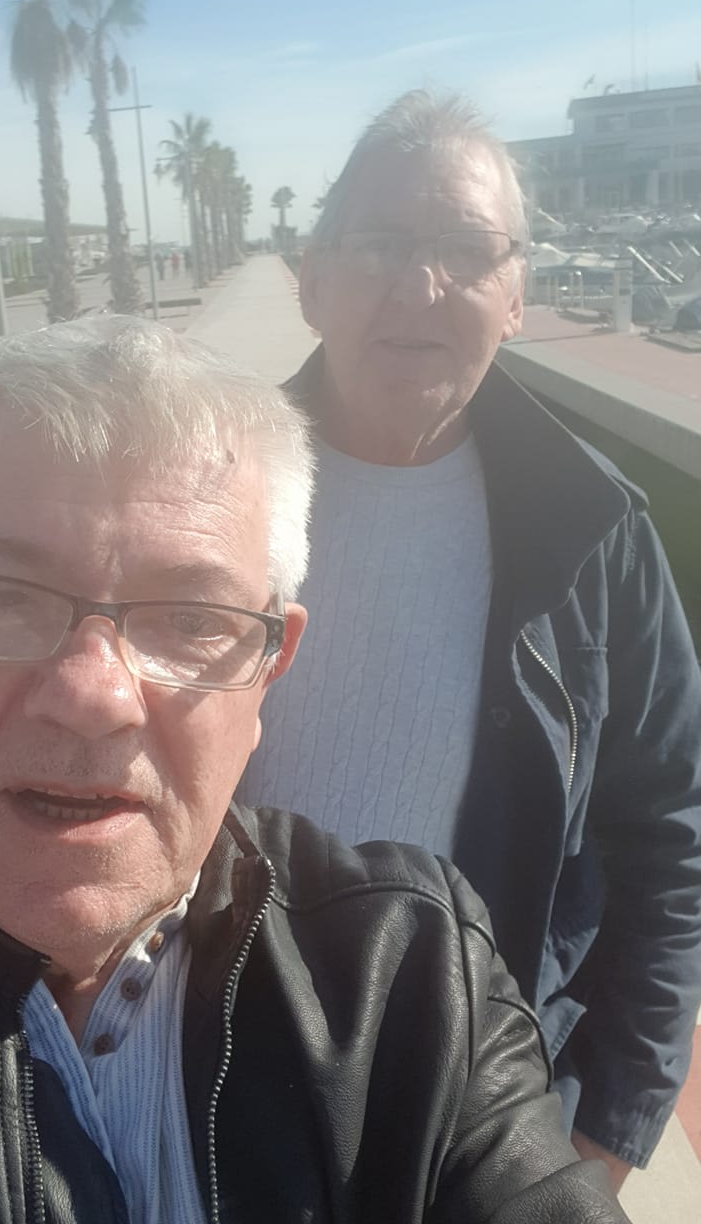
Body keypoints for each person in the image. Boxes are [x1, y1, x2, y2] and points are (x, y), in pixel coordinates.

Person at [0, 318, 626, 1221]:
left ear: (269, 669)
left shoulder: (411, 974)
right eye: (1, 595)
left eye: (190, 620)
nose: (91, 694)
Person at [238, 88, 701, 1187]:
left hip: (489, 1105)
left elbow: (670, 834)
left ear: (517, 294)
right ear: (311, 279)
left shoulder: (594, 530)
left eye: (465, 250)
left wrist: (605, 1135)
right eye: (380, 243)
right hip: (219, 1075)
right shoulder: (204, 495)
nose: (420, 286)